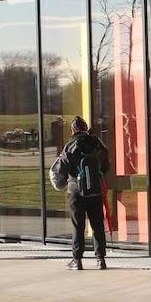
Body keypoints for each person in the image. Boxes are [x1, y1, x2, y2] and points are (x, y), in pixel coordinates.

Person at [59, 116, 110, 271]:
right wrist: (99, 174)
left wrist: (68, 179)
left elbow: (62, 168)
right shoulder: (97, 143)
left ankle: (77, 260)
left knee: (78, 225)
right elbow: (106, 162)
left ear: (73, 129)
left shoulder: (70, 145)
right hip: (95, 189)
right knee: (97, 224)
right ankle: (100, 259)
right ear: (86, 127)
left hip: (75, 190)